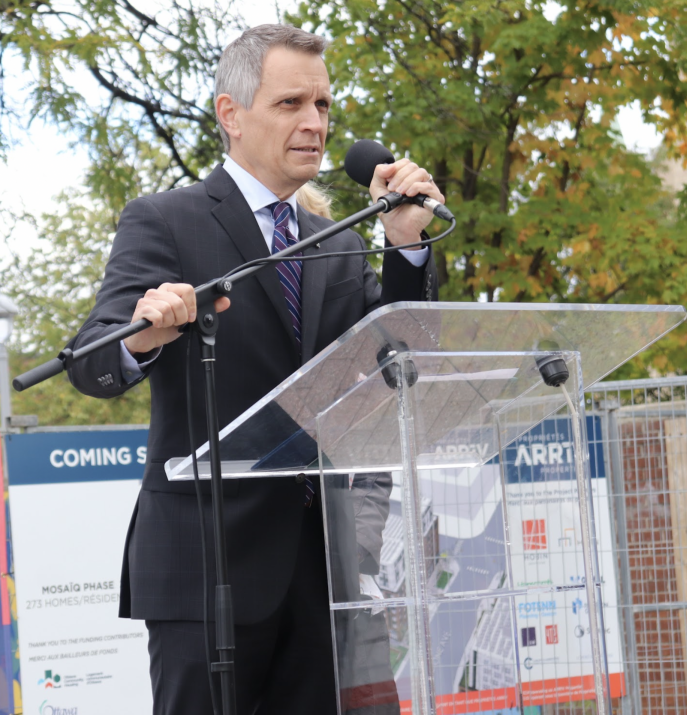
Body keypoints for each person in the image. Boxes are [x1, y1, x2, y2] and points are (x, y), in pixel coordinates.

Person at [66, 23, 445, 715]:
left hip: (321, 571)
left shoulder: (335, 242)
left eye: (324, 106)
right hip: (206, 570)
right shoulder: (167, 221)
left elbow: (399, 355)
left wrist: (406, 250)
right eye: (291, 103)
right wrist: (143, 335)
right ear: (230, 115)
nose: (314, 123)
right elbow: (92, 362)